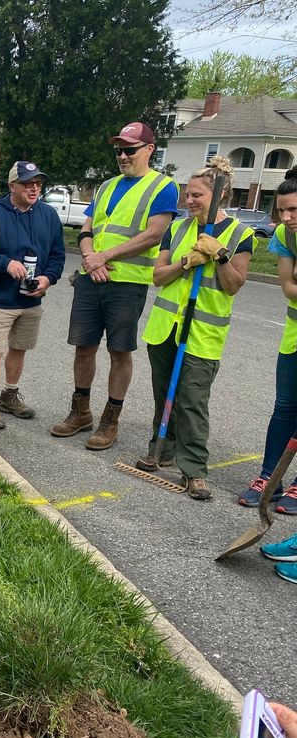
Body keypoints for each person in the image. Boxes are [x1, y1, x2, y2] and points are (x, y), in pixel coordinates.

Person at [51, 122, 178, 450]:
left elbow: (153, 235)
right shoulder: (106, 185)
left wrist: (103, 256)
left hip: (127, 283)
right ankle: (81, 412)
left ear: (149, 149)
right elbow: (87, 229)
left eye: (129, 149)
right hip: (92, 278)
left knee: (119, 351)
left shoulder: (162, 187)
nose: (122, 155)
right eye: (118, 150)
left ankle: (111, 419)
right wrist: (91, 257)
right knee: (83, 347)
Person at [136, 157, 252, 500]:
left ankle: (195, 471)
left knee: (192, 401)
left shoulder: (240, 234)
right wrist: (187, 262)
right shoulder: (178, 228)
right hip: (166, 328)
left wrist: (220, 256)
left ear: (220, 195)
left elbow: (233, 286)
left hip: (202, 334)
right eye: (188, 194)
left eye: (197, 195)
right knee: (165, 395)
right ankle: (162, 449)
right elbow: (158, 276)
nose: (189, 201)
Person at [0, 161, 65, 429]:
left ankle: (9, 396)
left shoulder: (48, 215)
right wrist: (5, 263)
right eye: (27, 183)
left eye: (38, 183)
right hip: (0, 299)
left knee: (19, 349)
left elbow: (57, 255)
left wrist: (48, 278)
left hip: (31, 299)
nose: (34, 188)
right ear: (12, 186)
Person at [238, 168, 297, 514]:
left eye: (294, 210)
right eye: (282, 210)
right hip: (294, 339)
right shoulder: (286, 238)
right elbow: (288, 287)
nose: (286, 218)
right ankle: (269, 477)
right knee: (285, 408)